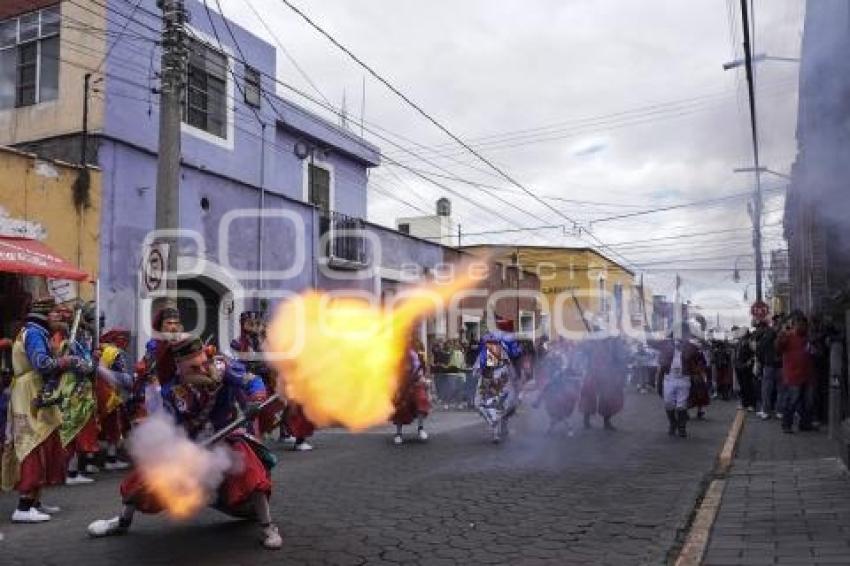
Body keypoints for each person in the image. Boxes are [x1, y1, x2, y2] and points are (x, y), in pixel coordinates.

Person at [87, 336, 282, 549]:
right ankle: (122, 521)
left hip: (227, 434)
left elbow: (253, 381)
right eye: (194, 368)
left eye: (202, 364)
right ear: (179, 368)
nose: (203, 370)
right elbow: (174, 429)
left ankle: (268, 527)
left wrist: (256, 401)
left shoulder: (222, 366)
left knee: (250, 468)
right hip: (193, 444)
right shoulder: (172, 391)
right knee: (147, 476)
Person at [1, 298, 77, 522]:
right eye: (55, 312)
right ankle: (24, 507)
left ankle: (35, 501)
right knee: (31, 446)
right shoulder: (34, 334)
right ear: (44, 314)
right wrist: (65, 361)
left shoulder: (35, 332)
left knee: (43, 443)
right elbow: (41, 364)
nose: (59, 316)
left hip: (35, 391)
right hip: (30, 394)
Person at [52, 305, 99, 485]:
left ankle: (72, 470)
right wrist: (90, 361)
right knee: (70, 430)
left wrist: (92, 359)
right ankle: (69, 472)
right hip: (70, 389)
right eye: (65, 318)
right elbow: (80, 364)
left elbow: (87, 364)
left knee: (77, 430)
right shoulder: (62, 340)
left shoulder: (77, 340)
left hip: (78, 389)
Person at [655, 324, 708, 437]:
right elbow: (651, 343)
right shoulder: (666, 345)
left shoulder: (692, 347)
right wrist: (646, 327)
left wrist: (695, 371)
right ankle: (673, 423)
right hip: (669, 378)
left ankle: (682, 427)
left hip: (684, 379)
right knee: (668, 403)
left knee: (681, 405)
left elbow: (702, 361)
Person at [473, 331, 522, 443]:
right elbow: (479, 369)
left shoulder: (496, 351)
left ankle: (497, 430)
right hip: (493, 384)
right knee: (489, 406)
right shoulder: (497, 352)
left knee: (492, 405)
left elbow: (482, 370)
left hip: (495, 384)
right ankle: (497, 429)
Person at [96, 329, 133, 470]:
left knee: (99, 428)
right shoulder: (115, 353)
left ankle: (89, 463)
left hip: (97, 393)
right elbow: (121, 376)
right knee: (114, 428)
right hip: (111, 395)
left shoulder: (101, 349)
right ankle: (111, 460)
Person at [579, 334, 629, 430]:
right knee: (588, 395)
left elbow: (620, 357)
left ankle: (606, 421)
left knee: (609, 397)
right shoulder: (591, 341)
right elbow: (583, 350)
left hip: (608, 373)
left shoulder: (613, 342)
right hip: (593, 371)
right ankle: (586, 420)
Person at [777, 312, 814, 433]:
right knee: (792, 401)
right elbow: (778, 348)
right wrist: (781, 335)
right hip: (793, 376)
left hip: (806, 375)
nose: (802, 327)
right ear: (795, 325)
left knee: (806, 402)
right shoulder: (787, 336)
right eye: (799, 324)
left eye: (804, 325)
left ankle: (805, 424)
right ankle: (786, 425)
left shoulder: (808, 339)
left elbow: (813, 353)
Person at [391, 341, 431, 445]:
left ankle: (420, 428)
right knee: (400, 407)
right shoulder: (397, 356)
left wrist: (423, 379)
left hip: (416, 383)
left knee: (421, 400)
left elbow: (421, 370)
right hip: (402, 385)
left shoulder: (416, 355)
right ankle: (398, 434)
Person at [755, 316, 783, 419]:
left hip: (770, 364)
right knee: (780, 389)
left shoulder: (768, 334)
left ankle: (767, 411)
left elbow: (761, 348)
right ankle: (779, 411)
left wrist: (762, 361)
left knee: (767, 389)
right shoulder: (783, 332)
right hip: (779, 364)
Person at [734, 329, 757, 411]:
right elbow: (737, 354)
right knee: (742, 386)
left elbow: (755, 353)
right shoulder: (739, 343)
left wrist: (750, 361)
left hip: (747, 367)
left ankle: (751, 404)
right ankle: (744, 403)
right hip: (739, 366)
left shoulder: (750, 342)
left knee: (748, 386)